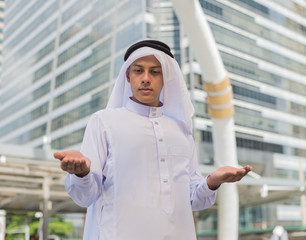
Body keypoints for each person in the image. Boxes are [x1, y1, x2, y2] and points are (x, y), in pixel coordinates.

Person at [54, 40, 252, 240]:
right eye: (138, 71)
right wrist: (82, 173)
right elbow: (85, 196)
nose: (146, 79)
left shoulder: (181, 131)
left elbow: (193, 200)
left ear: (166, 77)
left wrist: (211, 182)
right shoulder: (103, 122)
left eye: (155, 72)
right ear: (128, 76)